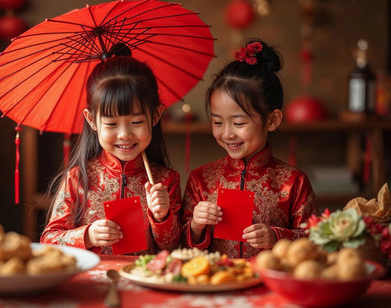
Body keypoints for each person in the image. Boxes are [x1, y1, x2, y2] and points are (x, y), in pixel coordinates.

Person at [182, 39, 319, 258]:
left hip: (271, 283)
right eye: (218, 122)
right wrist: (196, 226)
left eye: (238, 123)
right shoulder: (201, 179)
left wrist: (277, 237)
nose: (227, 133)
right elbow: (179, 247)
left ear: (272, 120)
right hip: (216, 283)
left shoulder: (294, 182)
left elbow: (315, 242)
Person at [41, 44, 182, 255]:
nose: (124, 134)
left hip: (143, 280)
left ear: (155, 116)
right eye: (111, 124)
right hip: (91, 282)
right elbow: (48, 240)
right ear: (92, 120)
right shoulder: (78, 178)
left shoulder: (166, 181)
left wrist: (162, 217)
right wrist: (86, 236)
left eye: (136, 122)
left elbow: (171, 247)